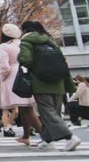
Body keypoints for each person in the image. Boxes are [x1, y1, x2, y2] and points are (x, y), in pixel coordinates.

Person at [18, 20, 81, 152]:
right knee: (54, 112)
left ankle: (70, 137)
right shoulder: (51, 42)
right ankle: (47, 139)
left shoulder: (27, 41)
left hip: (41, 81)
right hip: (58, 82)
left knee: (47, 113)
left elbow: (26, 60)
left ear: (25, 30)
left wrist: (20, 57)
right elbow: (62, 62)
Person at [0, 24, 41, 146]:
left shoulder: (4, 46)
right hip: (26, 74)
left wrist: (2, 78)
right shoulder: (23, 43)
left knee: (27, 108)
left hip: (13, 77)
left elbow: (4, 66)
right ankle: (26, 135)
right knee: (25, 107)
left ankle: (45, 135)